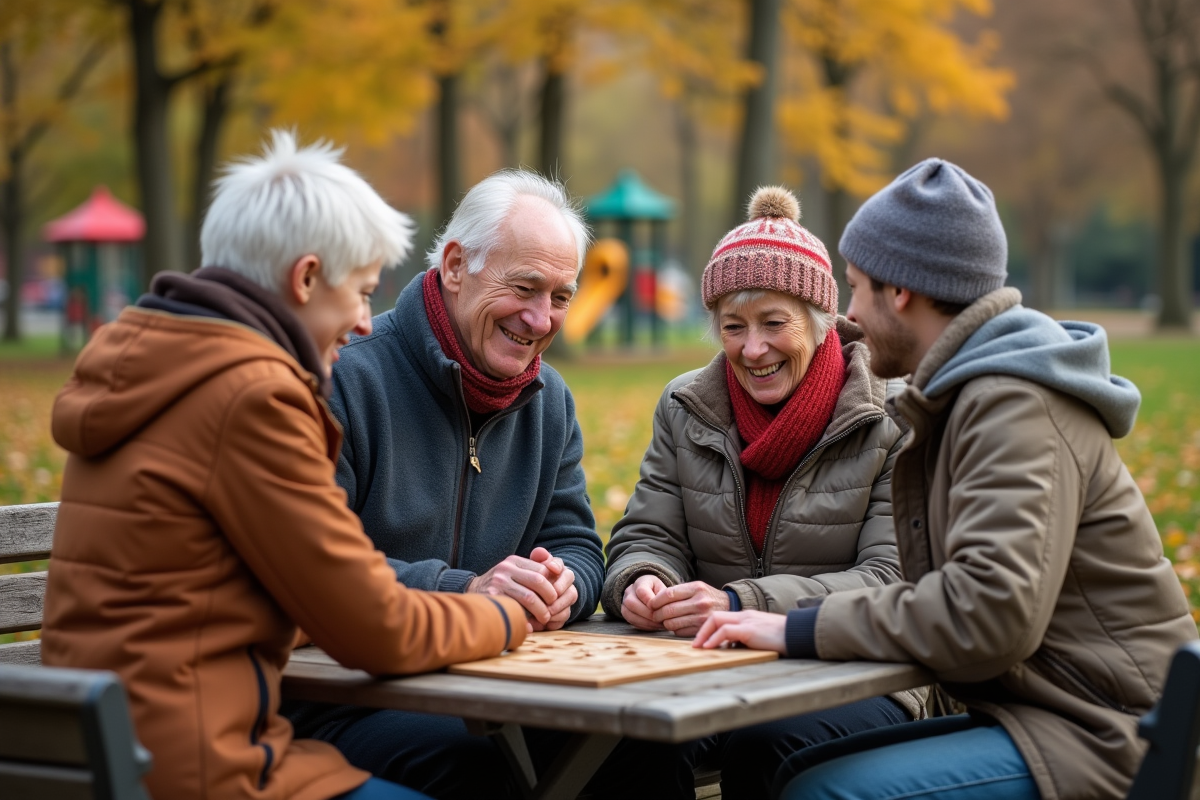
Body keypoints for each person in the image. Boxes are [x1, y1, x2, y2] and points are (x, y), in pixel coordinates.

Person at [40, 130, 527, 800]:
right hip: (200, 769)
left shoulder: (155, 365)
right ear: (304, 280)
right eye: (359, 291)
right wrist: (505, 617)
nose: (363, 323)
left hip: (110, 752)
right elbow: (377, 628)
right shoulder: (251, 396)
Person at [693, 158, 1198, 800]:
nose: (848, 315)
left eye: (856, 288)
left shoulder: (1013, 403)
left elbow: (987, 615)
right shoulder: (967, 396)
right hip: (1035, 714)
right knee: (785, 770)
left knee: (820, 792)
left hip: (1108, 734)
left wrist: (793, 626)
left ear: (899, 290)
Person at [287, 170, 606, 799]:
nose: (541, 319)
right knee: (487, 764)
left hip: (496, 683)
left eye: (561, 297)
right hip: (345, 698)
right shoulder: (344, 377)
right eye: (524, 287)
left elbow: (578, 543)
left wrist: (563, 585)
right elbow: (315, 575)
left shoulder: (549, 401)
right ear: (457, 265)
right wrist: (470, 589)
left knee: (638, 756)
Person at [600, 186, 924, 800]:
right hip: (706, 668)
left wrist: (742, 602)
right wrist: (644, 579)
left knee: (766, 747)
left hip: (861, 673)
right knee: (624, 740)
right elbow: (649, 533)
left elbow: (891, 579)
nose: (753, 349)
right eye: (733, 327)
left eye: (775, 323)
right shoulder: (685, 405)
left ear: (822, 320)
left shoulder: (893, 414)